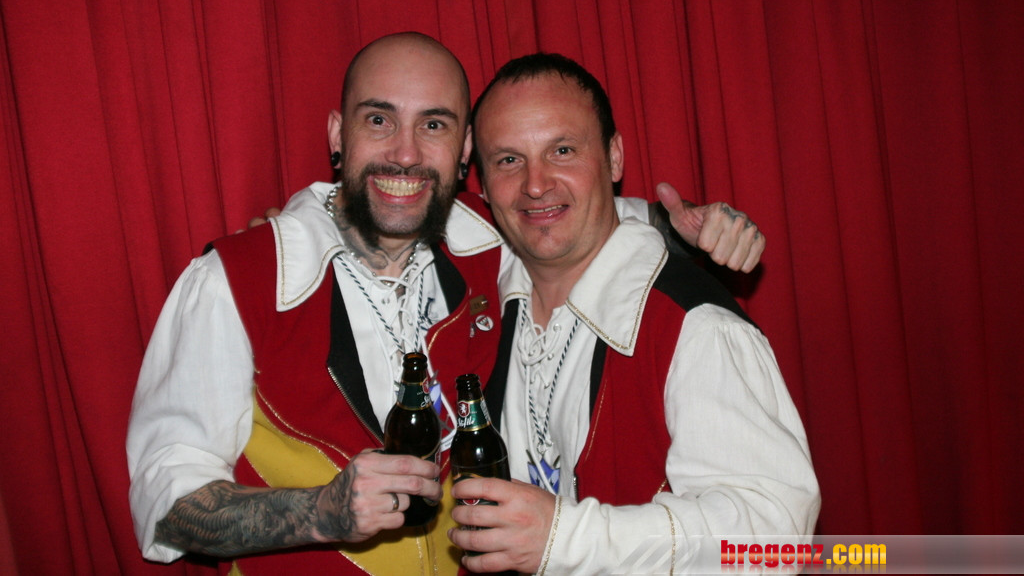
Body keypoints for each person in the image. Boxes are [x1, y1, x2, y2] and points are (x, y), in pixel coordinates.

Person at [126, 32, 764, 574]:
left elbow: (567, 211)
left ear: (463, 153)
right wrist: (320, 512)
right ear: (338, 134)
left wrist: (687, 226)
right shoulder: (233, 283)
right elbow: (165, 506)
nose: (405, 153)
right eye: (379, 120)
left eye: (433, 125)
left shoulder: (491, 247)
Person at [448, 53, 820, 574]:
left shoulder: (697, 329)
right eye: (509, 160)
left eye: (562, 150)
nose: (535, 183)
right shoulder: (481, 283)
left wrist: (565, 539)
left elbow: (774, 537)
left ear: (614, 157)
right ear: (483, 184)